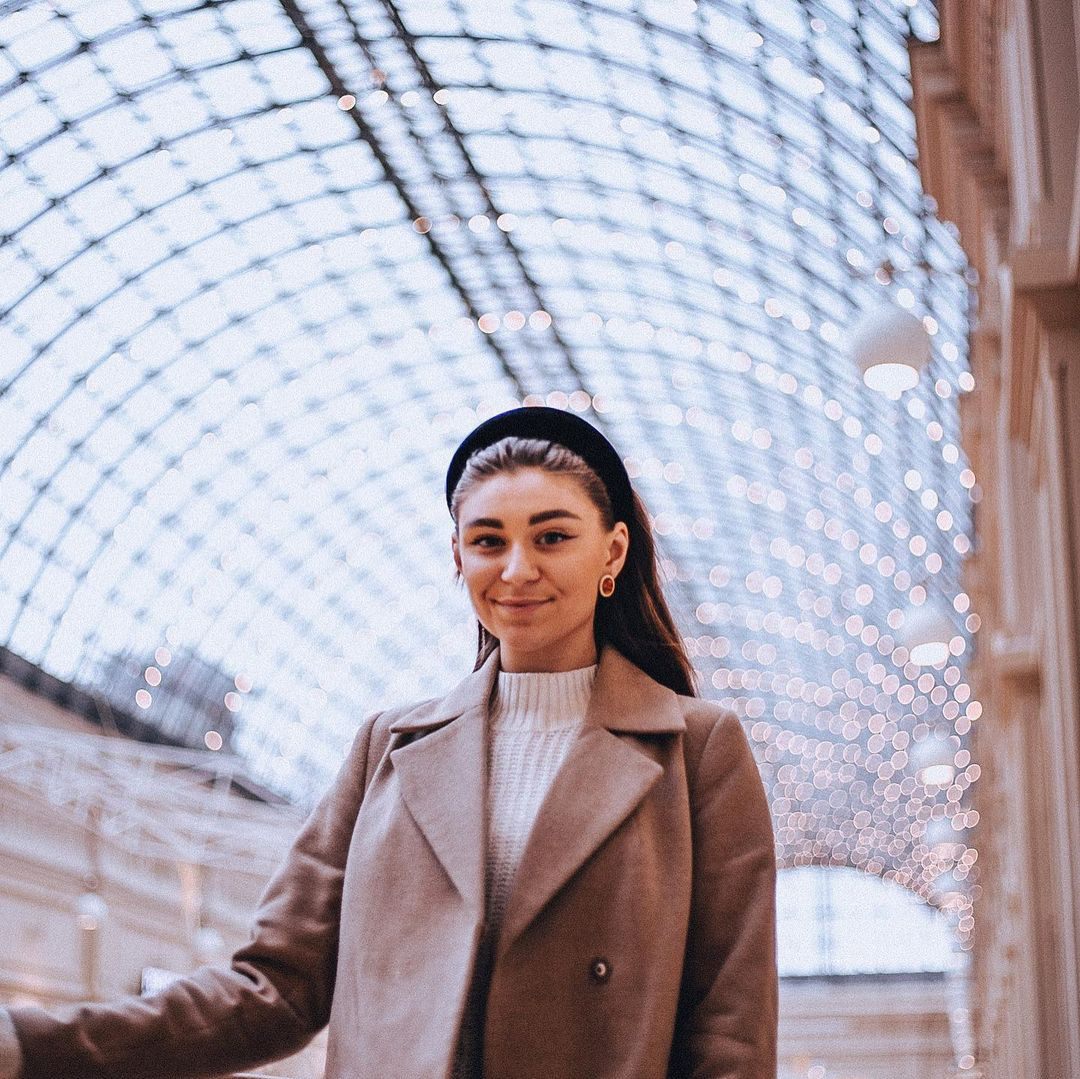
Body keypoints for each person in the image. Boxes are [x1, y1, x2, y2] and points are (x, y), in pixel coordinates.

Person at [0, 406, 778, 1078]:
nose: (517, 569)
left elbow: (730, 1031)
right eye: (488, 540)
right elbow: (274, 988)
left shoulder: (696, 750)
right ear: (458, 557)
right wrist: (28, 1043)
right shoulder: (389, 748)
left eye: (551, 536)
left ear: (612, 551)